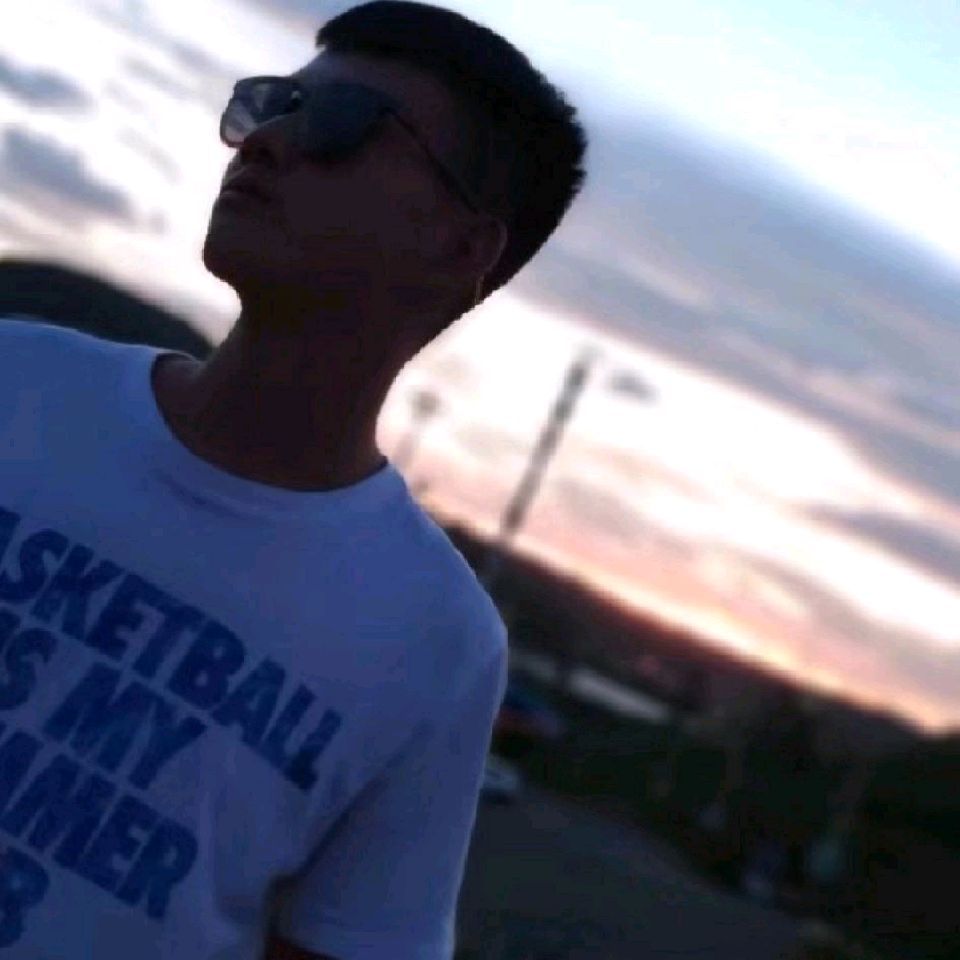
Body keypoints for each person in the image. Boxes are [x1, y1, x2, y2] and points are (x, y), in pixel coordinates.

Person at [0, 1, 587, 957]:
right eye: (270, 104)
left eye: (340, 124)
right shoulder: (17, 382)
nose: (266, 143)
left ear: (460, 248)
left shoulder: (437, 642)